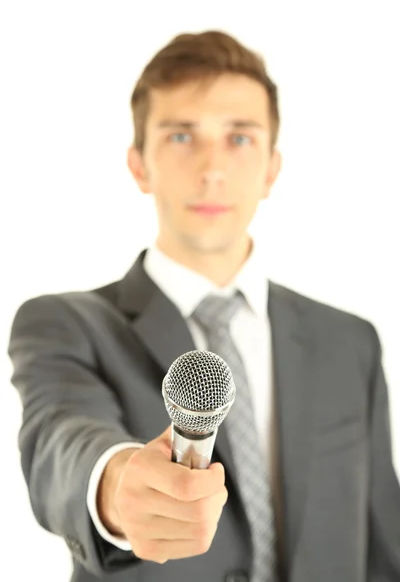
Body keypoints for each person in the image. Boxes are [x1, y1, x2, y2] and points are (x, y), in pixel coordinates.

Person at [7, 29, 400, 582]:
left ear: (271, 168)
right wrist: (116, 486)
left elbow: (384, 545)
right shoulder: (63, 325)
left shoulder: (351, 342)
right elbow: (61, 441)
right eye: (181, 136)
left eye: (239, 138)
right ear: (139, 164)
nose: (212, 167)